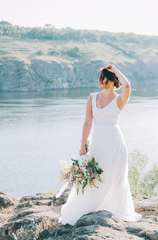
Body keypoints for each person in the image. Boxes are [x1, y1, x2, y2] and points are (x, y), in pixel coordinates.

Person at [58, 64, 142, 225]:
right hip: (97, 140)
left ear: (111, 81)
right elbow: (87, 123)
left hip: (115, 142)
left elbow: (127, 85)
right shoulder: (92, 97)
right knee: (95, 177)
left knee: (116, 176)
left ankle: (115, 208)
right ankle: (88, 207)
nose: (99, 81)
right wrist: (82, 145)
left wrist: (116, 70)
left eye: (102, 78)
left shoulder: (119, 99)